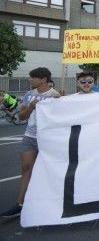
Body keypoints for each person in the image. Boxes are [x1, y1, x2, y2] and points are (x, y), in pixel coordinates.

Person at [1, 67, 60, 219]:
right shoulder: (28, 95)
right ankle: (19, 203)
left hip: (47, 139)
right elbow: (21, 117)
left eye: (33, 77)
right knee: (26, 168)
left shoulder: (55, 96)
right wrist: (30, 107)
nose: (30, 79)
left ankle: (52, 202)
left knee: (49, 170)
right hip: (29, 137)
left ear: (43, 79)